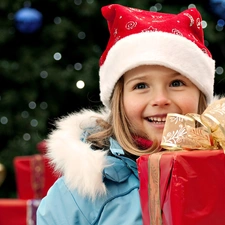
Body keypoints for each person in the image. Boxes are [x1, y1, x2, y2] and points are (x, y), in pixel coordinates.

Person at [36, 3, 215, 225]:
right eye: (141, 86)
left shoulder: (219, 176)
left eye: (176, 83)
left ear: (201, 95)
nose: (160, 99)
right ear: (119, 101)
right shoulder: (84, 193)